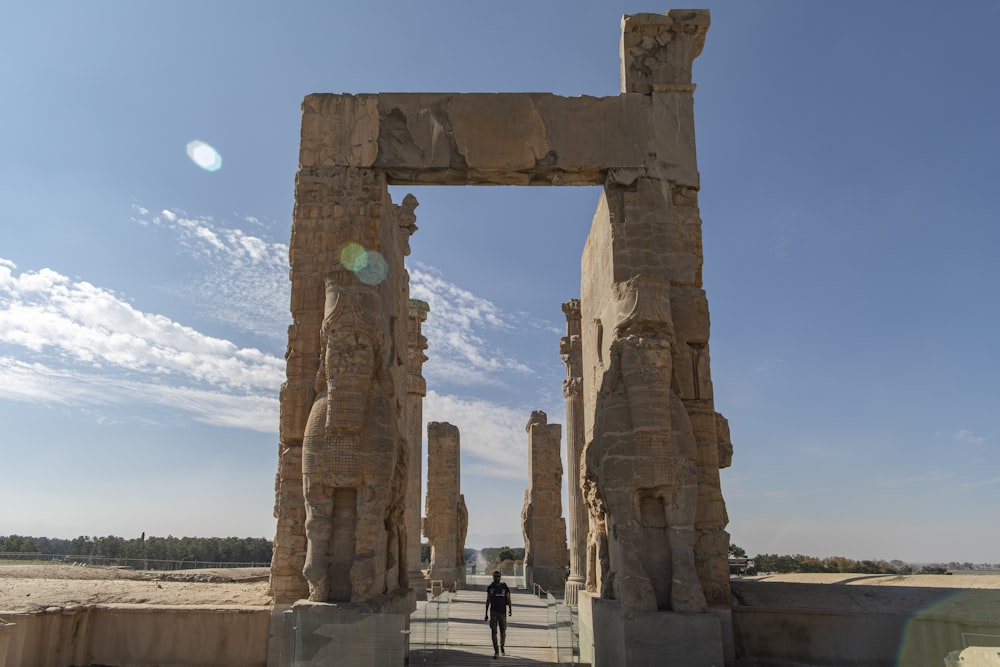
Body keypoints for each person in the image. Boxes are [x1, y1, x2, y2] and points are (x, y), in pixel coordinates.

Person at [484, 570, 512, 658]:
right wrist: (486, 613)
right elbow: (488, 600)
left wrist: (510, 609)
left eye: (498, 577)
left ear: (500, 577)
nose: (497, 578)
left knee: (503, 631)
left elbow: (508, 598)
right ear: (493, 577)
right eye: (495, 577)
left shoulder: (504, 587)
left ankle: (502, 645)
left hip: (502, 612)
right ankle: (496, 650)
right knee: (494, 631)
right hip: (493, 612)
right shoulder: (490, 587)